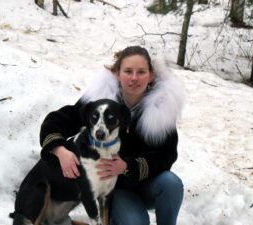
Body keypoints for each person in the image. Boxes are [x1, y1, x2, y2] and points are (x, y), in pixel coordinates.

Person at [39, 46, 184, 225]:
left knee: (172, 184)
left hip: (148, 183)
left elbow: (166, 155)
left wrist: (128, 166)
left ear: (151, 75)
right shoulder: (101, 101)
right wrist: (59, 149)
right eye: (128, 71)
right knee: (136, 222)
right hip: (114, 188)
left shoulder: (162, 109)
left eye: (141, 72)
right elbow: (58, 120)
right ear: (117, 73)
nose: (134, 78)